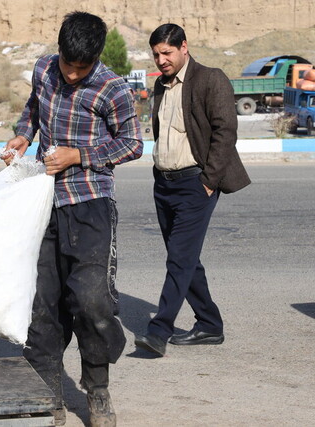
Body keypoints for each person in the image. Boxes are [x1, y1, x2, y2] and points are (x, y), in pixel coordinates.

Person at [1, 11, 143, 426]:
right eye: (68, 64)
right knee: (41, 305)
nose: (74, 73)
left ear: (96, 58)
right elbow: (32, 109)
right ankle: (47, 397)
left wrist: (80, 155)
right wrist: (23, 135)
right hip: (42, 201)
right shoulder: (43, 69)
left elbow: (132, 144)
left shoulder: (113, 88)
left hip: (90, 202)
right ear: (59, 51)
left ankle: (97, 389)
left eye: (83, 68)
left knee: (91, 300)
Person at [134, 24, 251, 357]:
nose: (161, 59)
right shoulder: (160, 84)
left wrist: (208, 180)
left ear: (184, 47)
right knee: (183, 258)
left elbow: (225, 131)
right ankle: (210, 324)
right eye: (156, 53)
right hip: (164, 184)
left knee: (180, 259)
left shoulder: (210, 78)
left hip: (195, 184)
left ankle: (159, 330)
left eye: (167, 52)